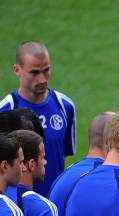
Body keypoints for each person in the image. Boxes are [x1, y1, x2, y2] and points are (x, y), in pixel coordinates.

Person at [0, 41, 76, 197]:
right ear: (17, 70)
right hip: (16, 204)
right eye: (34, 73)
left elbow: (64, 156)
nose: (42, 79)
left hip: (54, 201)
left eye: (46, 70)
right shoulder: (5, 110)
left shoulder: (65, 107)